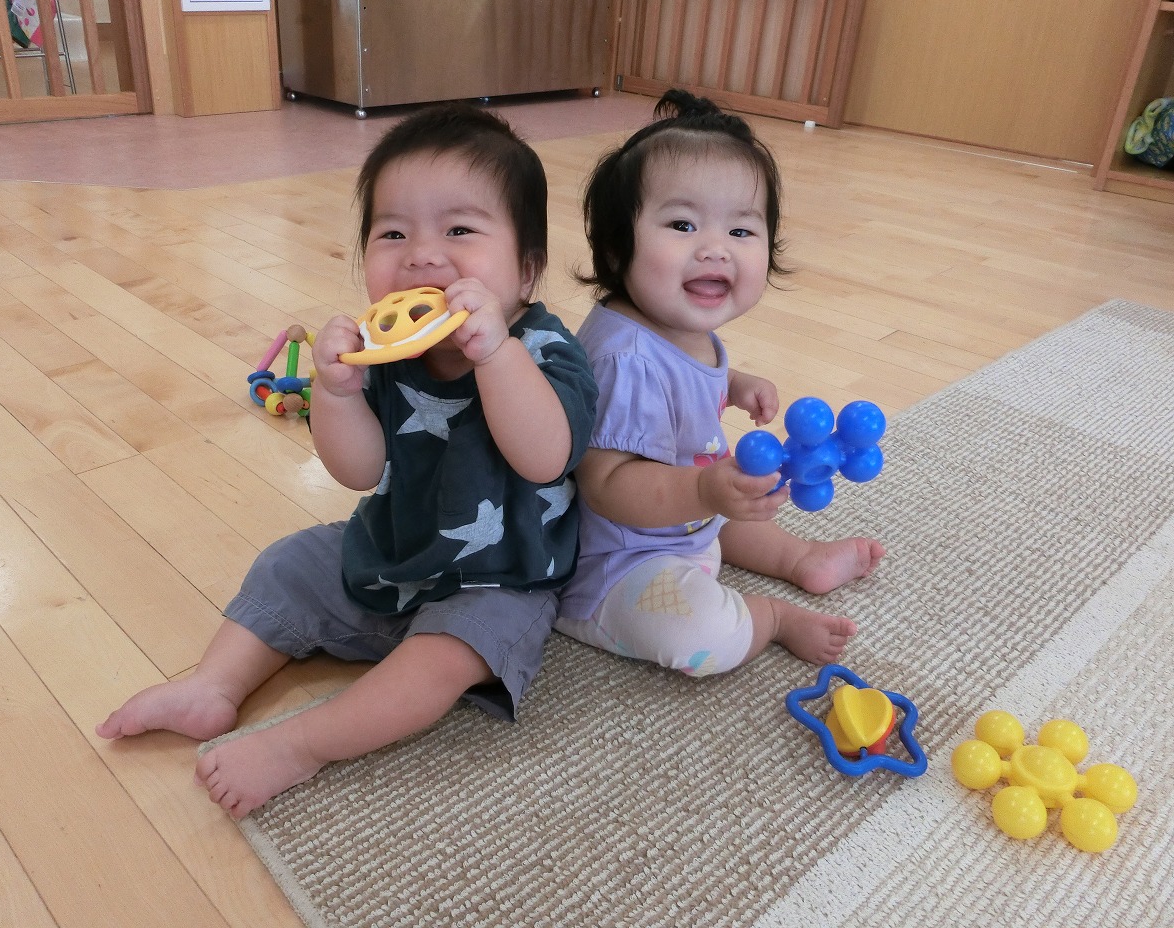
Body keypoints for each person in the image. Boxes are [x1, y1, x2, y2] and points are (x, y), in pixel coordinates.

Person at [97, 104, 598, 818]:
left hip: (503, 579)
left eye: (459, 230)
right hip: (394, 549)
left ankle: (302, 744)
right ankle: (213, 686)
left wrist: (496, 354)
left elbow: (545, 457)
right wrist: (335, 394)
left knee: (445, 657)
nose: (421, 255)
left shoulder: (544, 349)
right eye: (393, 233)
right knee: (290, 561)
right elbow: (359, 471)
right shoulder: (384, 350)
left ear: (526, 269)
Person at [556, 89, 883, 677]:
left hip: (685, 515)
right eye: (682, 224)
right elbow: (606, 485)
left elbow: (678, 379)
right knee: (699, 636)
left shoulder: (676, 327)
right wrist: (704, 492)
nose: (715, 249)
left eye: (741, 230)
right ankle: (770, 617)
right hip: (618, 563)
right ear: (615, 247)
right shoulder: (624, 358)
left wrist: (730, 383)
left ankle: (801, 558)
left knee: (736, 515)